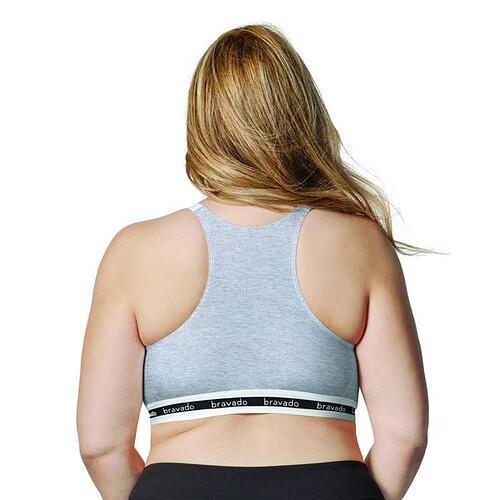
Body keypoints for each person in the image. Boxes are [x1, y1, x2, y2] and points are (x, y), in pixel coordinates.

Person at [77, 23, 429, 500]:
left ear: (203, 120)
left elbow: (101, 446)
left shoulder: (135, 251)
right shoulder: (359, 243)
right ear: (303, 116)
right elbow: (404, 437)